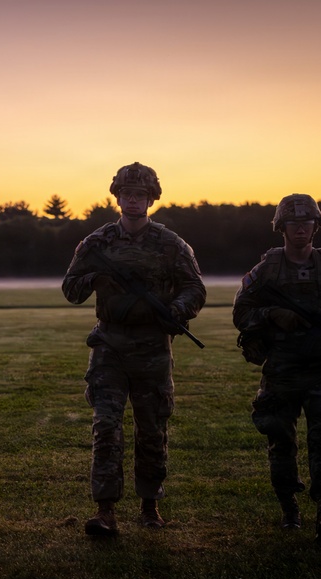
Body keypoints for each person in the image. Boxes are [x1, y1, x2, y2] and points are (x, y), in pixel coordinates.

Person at [63, 162, 206, 537]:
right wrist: (96, 277)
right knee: (106, 426)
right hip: (110, 344)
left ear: (151, 199)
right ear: (117, 196)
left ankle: (149, 504)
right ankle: (105, 510)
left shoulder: (171, 244)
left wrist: (176, 310)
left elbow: (195, 287)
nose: (132, 200)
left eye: (140, 194)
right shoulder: (97, 243)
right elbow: (71, 289)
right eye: (126, 193)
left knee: (152, 428)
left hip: (152, 347)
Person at [232, 194, 321, 545]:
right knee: (281, 441)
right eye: (294, 223)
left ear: (316, 226)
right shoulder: (267, 270)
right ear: (281, 228)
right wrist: (273, 314)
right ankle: (289, 507)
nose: (301, 229)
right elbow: (241, 313)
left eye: (307, 223)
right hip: (281, 370)